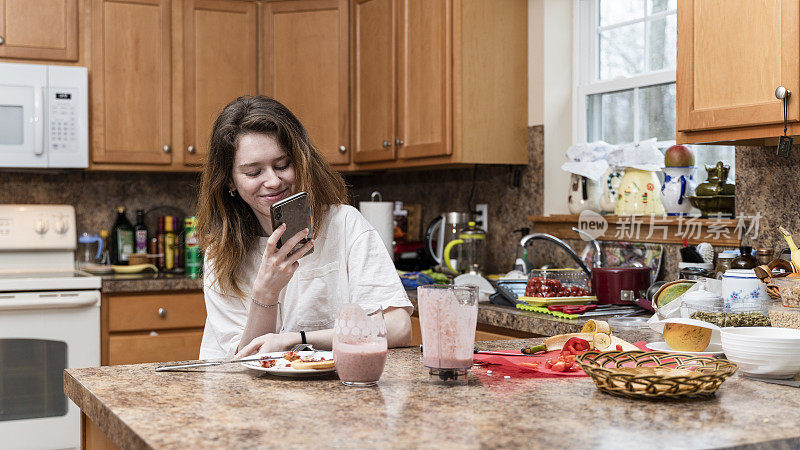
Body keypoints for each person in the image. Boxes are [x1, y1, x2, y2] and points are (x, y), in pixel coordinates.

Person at [196, 95, 413, 359]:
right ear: (230, 182)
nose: (273, 181)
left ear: (301, 161)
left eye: (282, 165)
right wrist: (266, 292)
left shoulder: (344, 224)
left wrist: (295, 341)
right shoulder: (220, 254)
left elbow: (398, 327)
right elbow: (246, 359)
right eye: (254, 173)